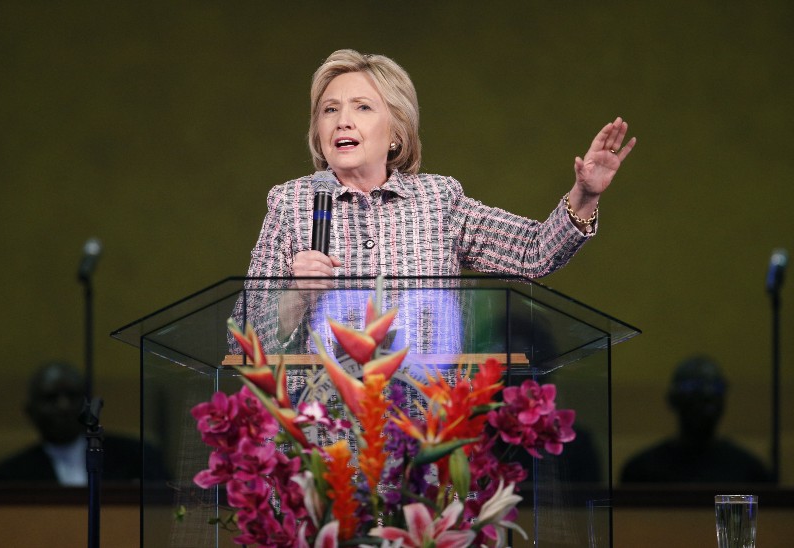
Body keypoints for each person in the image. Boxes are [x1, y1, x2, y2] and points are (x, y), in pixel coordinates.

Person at [232, 48, 636, 357]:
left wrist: (585, 195)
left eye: (363, 107)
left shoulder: (438, 200)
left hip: (422, 431)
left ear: (396, 131)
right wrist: (295, 295)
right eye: (329, 109)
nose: (342, 121)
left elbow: (533, 254)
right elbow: (242, 342)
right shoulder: (291, 203)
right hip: (323, 438)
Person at [0, 361, 167, 485]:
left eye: (72, 395)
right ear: (30, 411)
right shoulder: (9, 476)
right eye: (51, 398)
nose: (64, 406)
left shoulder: (138, 457)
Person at [620, 355, 771, 483]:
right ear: (673, 400)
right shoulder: (642, 471)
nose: (704, 403)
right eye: (694, 392)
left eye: (713, 393)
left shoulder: (749, 471)